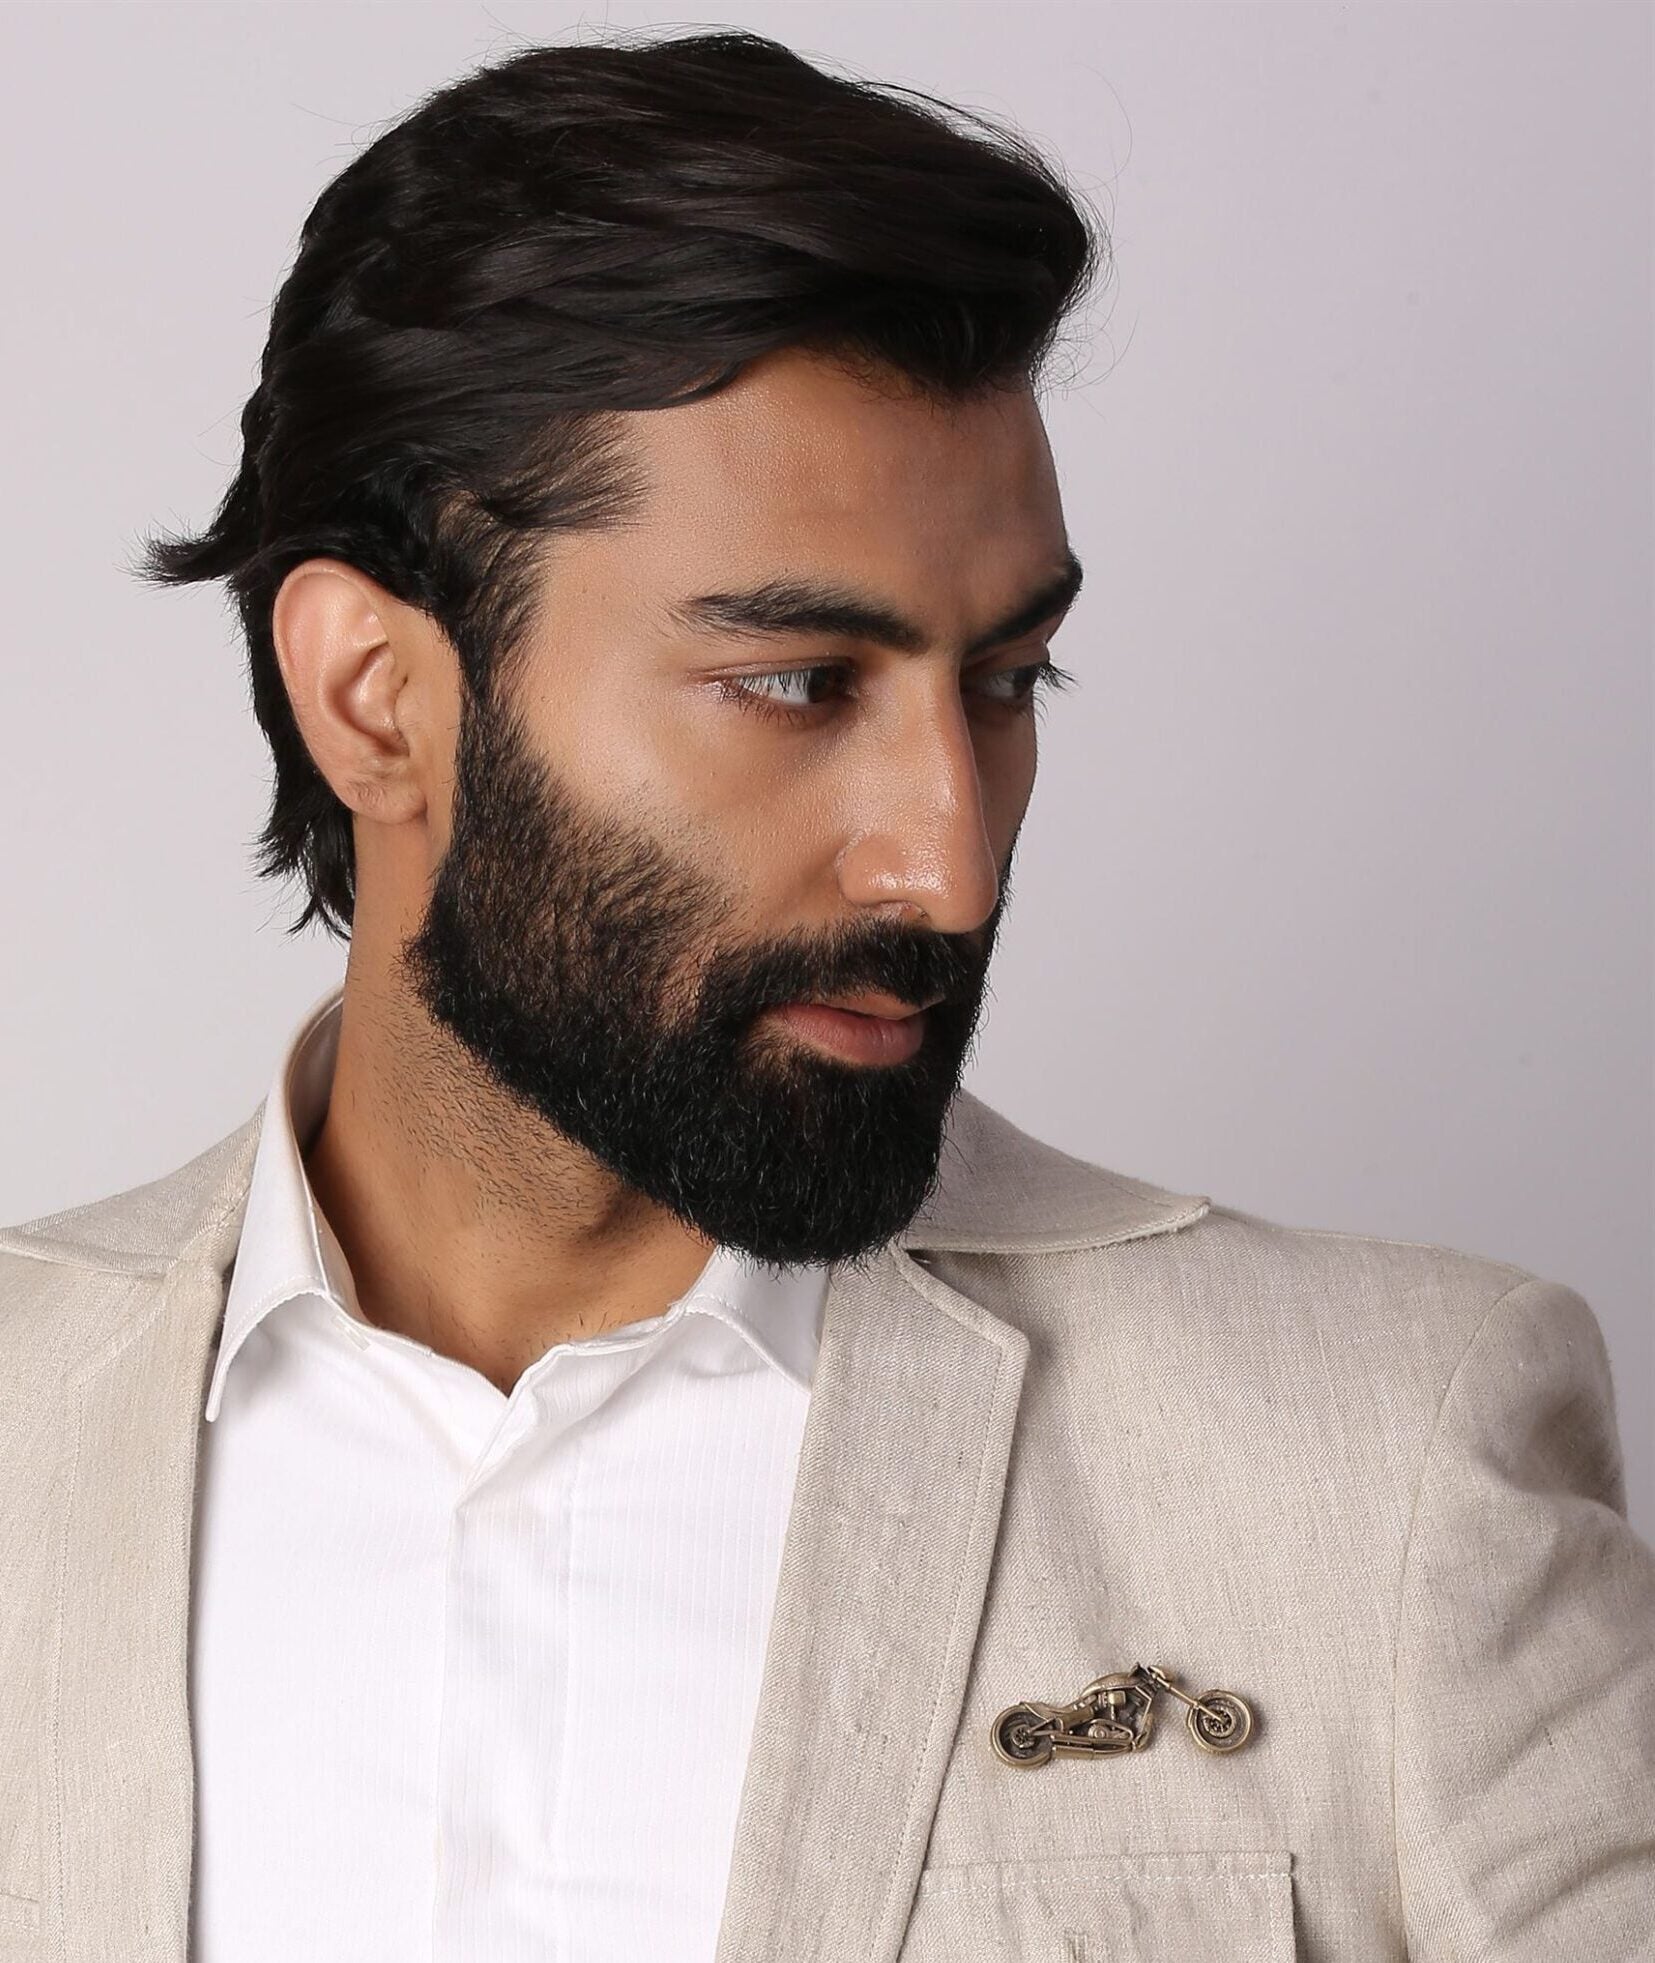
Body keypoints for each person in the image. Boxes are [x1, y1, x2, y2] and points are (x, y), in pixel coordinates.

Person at [0, 27, 1649, 1963]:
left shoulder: (1384, 1459)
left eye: (1007, 682)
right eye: (796, 683)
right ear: (378, 698)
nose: (948, 867)